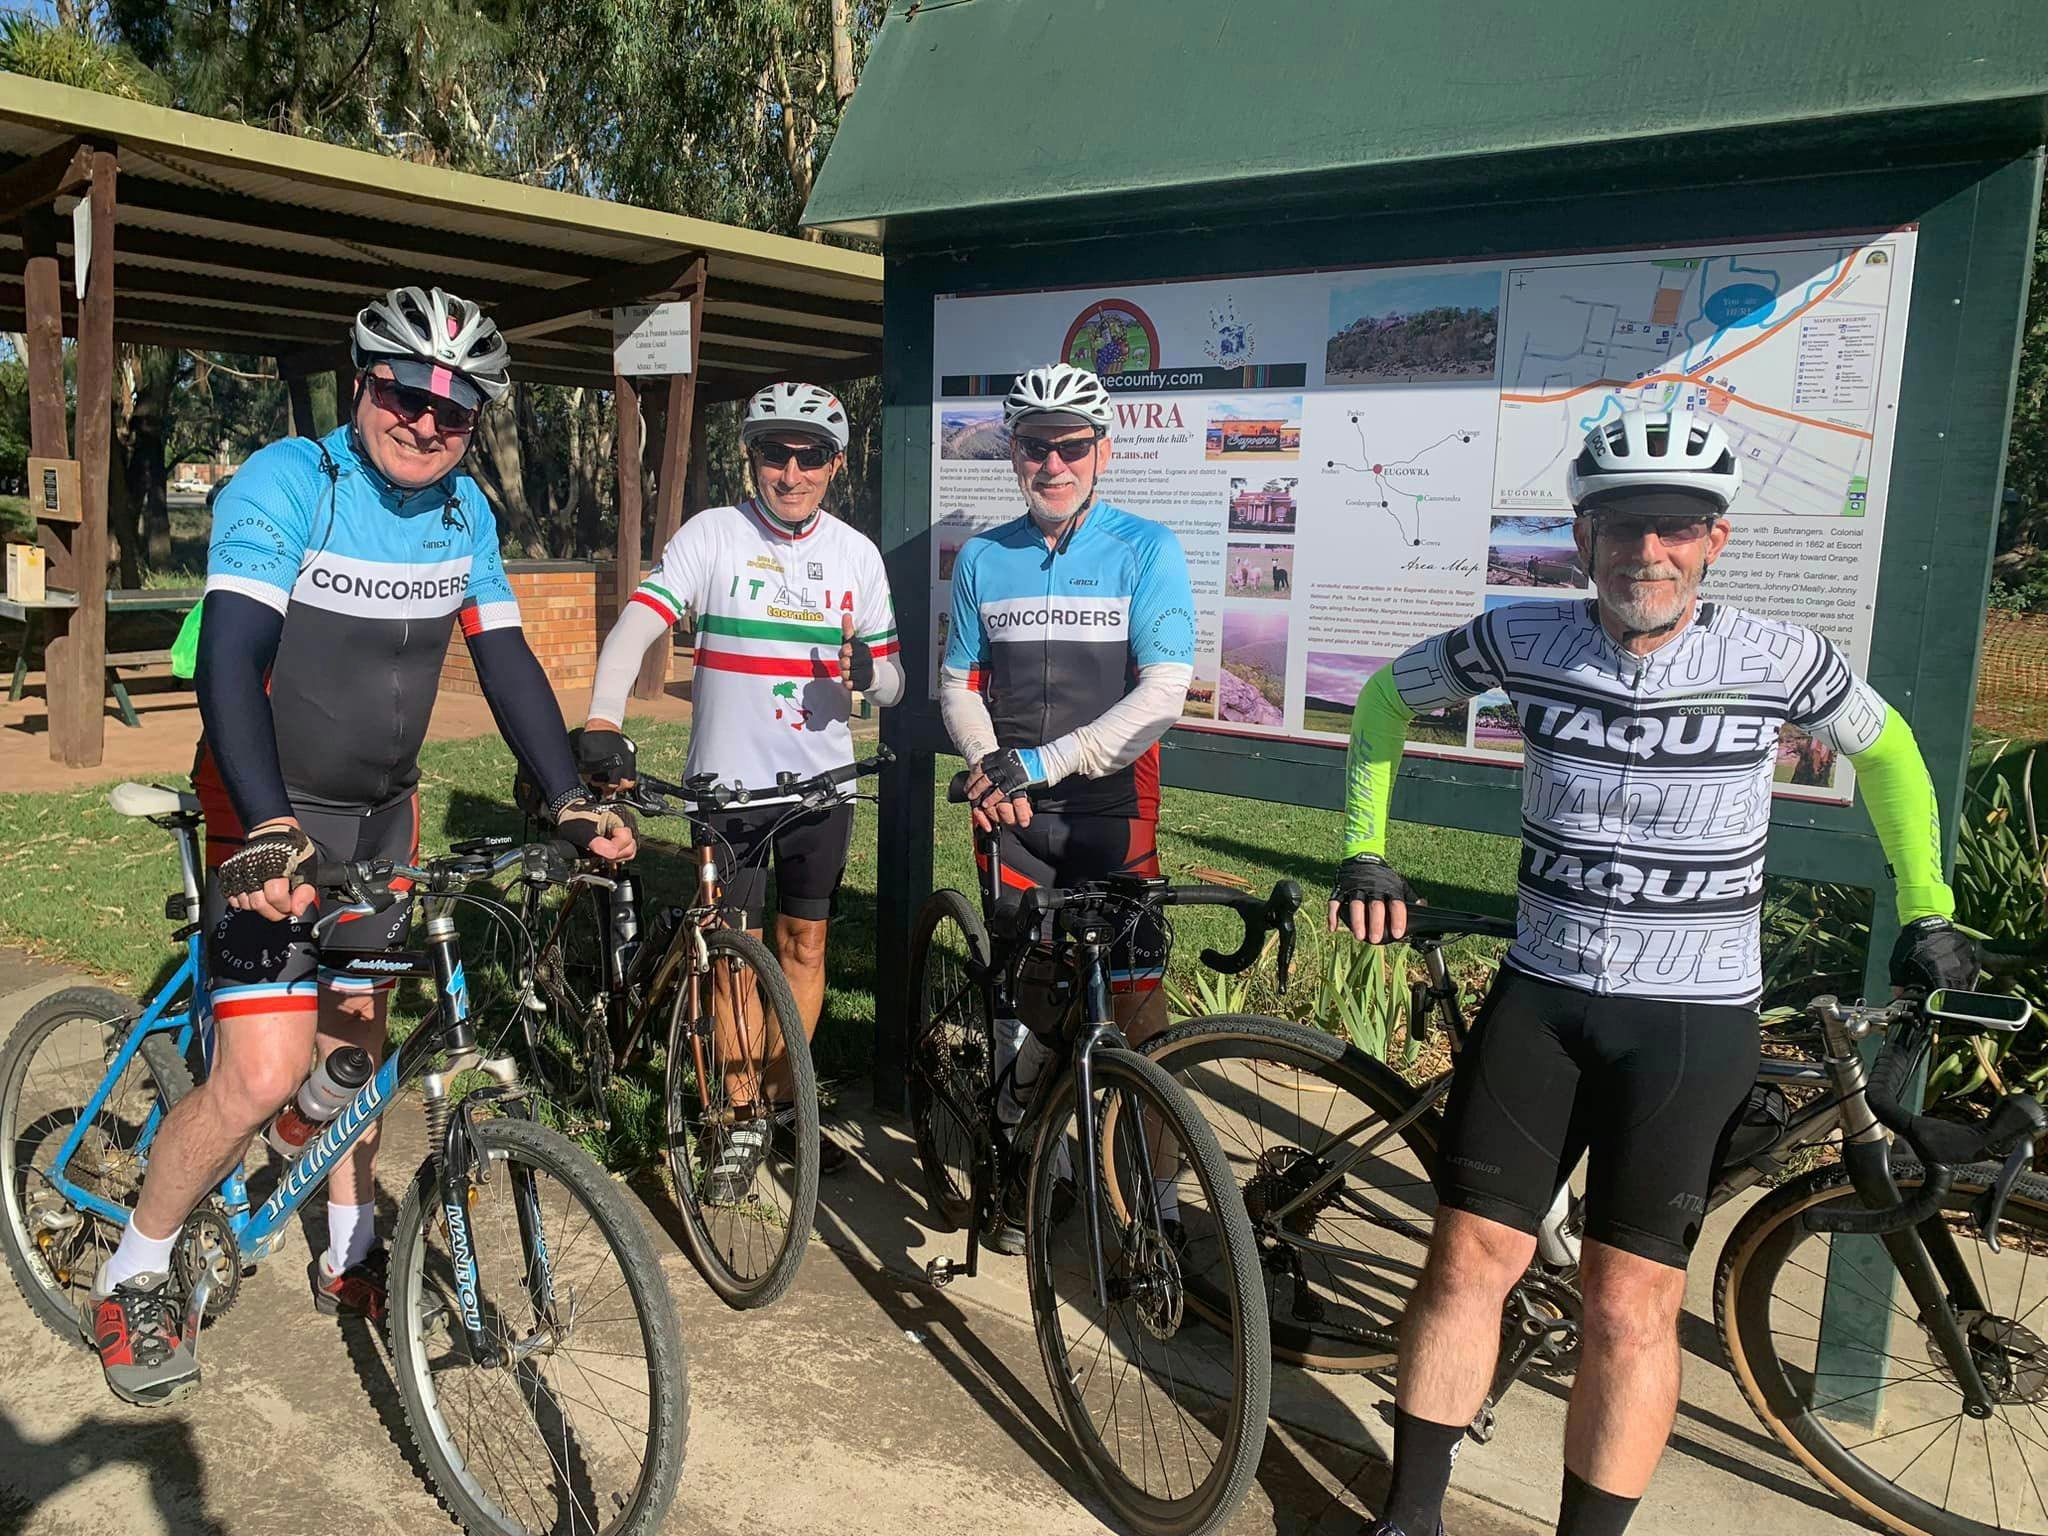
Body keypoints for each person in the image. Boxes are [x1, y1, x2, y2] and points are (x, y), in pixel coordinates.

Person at [1333, 407, 1978, 1536]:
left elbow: (1888, 754)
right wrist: (1363, 848)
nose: (1648, 552)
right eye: (1623, 525)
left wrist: (1927, 907)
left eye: (1676, 527)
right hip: (1544, 995)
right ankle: (1410, 1517)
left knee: (1629, 1302)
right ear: (1583, 536)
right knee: (1467, 1260)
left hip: (1688, 1017)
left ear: (1714, 539)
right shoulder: (1521, 637)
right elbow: (1386, 698)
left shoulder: (1779, 656)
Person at [91, 286, 634, 1408]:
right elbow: (229, 658)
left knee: (355, 1054)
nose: (426, 422)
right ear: (361, 382)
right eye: (405, 393)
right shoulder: (291, 482)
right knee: (262, 1074)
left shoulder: (464, 513)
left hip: (383, 815)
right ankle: (134, 1268)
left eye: (455, 408)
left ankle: (350, 1250)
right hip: (265, 806)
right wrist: (267, 825)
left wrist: (567, 798)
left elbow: (505, 663)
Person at [580, 381, 902, 1196]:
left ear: (835, 464)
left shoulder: (857, 555)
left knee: (806, 947)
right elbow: (637, 624)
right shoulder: (713, 536)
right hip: (728, 792)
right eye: (773, 454)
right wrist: (603, 717)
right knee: (728, 959)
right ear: (751, 457)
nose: (791, 473)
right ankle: (737, 1111)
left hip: (822, 789)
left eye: (809, 456)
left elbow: (894, 679)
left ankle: (781, 1102)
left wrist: (873, 672)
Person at [938, 361, 1198, 1253]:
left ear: (1103, 452)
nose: (1053, 463)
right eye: (1033, 446)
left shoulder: (1147, 548)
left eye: (1071, 446)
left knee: (1137, 1007)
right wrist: (990, 766)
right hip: (1015, 816)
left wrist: (1039, 764)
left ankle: (1155, 1197)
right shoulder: (985, 557)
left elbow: (1164, 691)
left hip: (1113, 810)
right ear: (1013, 452)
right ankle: (1030, 1166)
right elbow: (958, 684)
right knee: (1025, 1000)